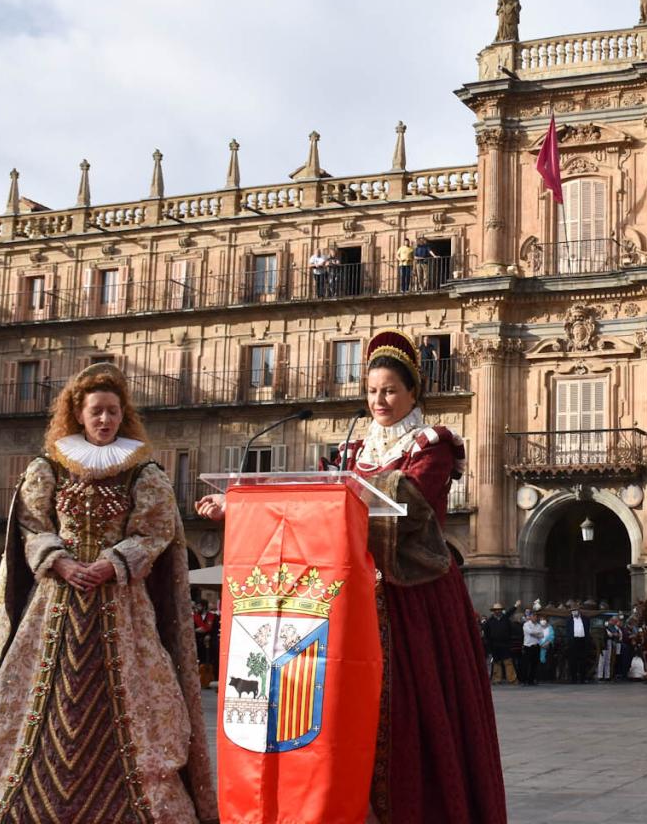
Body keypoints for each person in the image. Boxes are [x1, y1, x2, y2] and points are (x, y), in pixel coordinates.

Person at [205, 331, 505, 821]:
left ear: (413, 393)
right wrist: (237, 503)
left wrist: (345, 489)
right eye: (371, 391)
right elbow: (322, 503)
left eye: (389, 390)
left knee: (410, 703)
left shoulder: (433, 446)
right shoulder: (353, 452)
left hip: (413, 597)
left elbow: (408, 508)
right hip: (358, 591)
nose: (379, 401)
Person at [0, 362, 214, 823]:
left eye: (112, 412)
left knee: (137, 698)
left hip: (121, 606)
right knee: (34, 698)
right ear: (78, 415)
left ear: (122, 415)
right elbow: (31, 524)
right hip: (56, 604)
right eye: (96, 412)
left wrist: (112, 563)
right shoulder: (49, 468)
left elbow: (155, 532)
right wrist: (60, 561)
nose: (104, 420)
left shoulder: (143, 473)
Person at [484, 603, 517, 685]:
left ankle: (512, 679)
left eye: (499, 609)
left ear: (501, 610)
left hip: (505, 644)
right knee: (496, 662)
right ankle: (496, 679)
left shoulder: (505, 619)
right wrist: (489, 645)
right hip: (494, 644)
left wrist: (515, 605)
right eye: (496, 610)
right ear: (493, 611)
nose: (498, 611)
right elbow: (486, 634)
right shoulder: (489, 621)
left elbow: (510, 628)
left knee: (508, 662)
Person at [520, 610, 545, 686]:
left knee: (535, 664)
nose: (535, 617)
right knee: (526, 664)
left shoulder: (539, 625)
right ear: (530, 617)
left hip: (536, 646)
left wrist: (535, 633)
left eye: (536, 616)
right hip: (528, 646)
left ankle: (531, 680)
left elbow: (542, 635)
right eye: (533, 616)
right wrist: (536, 633)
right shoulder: (526, 624)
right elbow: (530, 632)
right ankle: (524, 680)